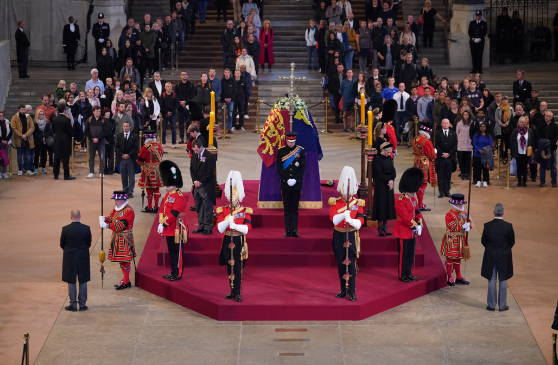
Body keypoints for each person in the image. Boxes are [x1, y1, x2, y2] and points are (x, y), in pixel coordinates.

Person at [328, 166, 364, 302]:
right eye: (343, 191)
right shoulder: (335, 202)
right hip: (339, 235)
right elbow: (333, 220)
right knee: (340, 263)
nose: (345, 194)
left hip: (352, 235)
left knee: (352, 265)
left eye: (347, 192)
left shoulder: (357, 203)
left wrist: (351, 220)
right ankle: (343, 289)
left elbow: (360, 222)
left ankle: (352, 291)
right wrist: (343, 214)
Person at [216, 171, 252, 302]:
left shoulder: (244, 211)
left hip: (238, 239)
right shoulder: (224, 210)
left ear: (239, 198)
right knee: (229, 266)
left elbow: (247, 229)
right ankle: (231, 290)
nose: (233, 201)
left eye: (235, 199)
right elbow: (220, 228)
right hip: (227, 239)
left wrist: (235, 226)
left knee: (237, 268)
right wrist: (227, 220)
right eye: (231, 199)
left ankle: (237, 291)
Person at [157, 160, 188, 281]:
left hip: (176, 228)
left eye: (168, 185)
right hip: (168, 227)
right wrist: (160, 223)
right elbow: (162, 209)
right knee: (171, 252)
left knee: (177, 253)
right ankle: (172, 271)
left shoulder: (179, 197)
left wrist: (163, 224)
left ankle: (178, 273)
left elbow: (174, 214)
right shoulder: (168, 195)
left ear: (175, 185)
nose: (166, 187)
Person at [481, 203, 515, 311]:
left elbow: (483, 241)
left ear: (493, 212)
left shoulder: (487, 225)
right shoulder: (508, 226)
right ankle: (502, 305)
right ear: (503, 212)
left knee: (492, 279)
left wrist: (491, 249)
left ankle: (491, 305)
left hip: (491, 255)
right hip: (504, 256)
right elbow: (512, 242)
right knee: (503, 279)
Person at [99, 191, 136, 290]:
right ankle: (125, 280)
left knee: (125, 261)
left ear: (124, 199)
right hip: (116, 238)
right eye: (115, 200)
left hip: (124, 239)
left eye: (118, 200)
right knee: (121, 262)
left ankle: (126, 281)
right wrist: (104, 219)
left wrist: (107, 225)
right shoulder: (117, 209)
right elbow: (112, 218)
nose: (116, 202)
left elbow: (120, 225)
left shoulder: (129, 211)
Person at [394, 167, 424, 282]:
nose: (413, 194)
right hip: (403, 231)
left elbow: (417, 212)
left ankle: (408, 273)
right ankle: (402, 275)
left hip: (411, 232)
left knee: (410, 254)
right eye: (411, 192)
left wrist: (420, 223)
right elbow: (406, 217)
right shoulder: (400, 201)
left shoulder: (413, 199)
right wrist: (415, 226)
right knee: (403, 254)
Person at [61, 209, 92, 312]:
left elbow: (62, 244)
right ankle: (82, 304)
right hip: (83, 257)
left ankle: (73, 304)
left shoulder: (65, 229)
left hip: (70, 257)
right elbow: (89, 243)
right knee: (83, 280)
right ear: (80, 216)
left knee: (71, 280)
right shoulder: (86, 229)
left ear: (71, 217)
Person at [277, 132, 306, 237]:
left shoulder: (300, 151)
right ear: (286, 140)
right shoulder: (281, 151)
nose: (291, 143)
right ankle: (287, 230)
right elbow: (279, 168)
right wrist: (287, 179)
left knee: (294, 208)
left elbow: (302, 167)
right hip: (285, 184)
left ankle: (294, 230)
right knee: (287, 208)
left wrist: (295, 179)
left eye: (293, 142)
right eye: (289, 142)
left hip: (296, 184)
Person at [440, 194, 471, 286]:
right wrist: (463, 226)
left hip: (461, 238)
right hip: (452, 239)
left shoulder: (463, 212)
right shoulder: (449, 214)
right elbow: (452, 227)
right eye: (459, 205)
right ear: (454, 204)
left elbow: (468, 221)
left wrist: (468, 226)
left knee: (458, 259)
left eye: (461, 204)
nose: (461, 206)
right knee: (450, 259)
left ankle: (458, 277)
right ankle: (449, 277)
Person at [190, 138, 216, 234]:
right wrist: (195, 181)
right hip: (197, 186)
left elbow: (209, 173)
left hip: (206, 186)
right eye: (194, 150)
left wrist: (200, 182)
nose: (195, 152)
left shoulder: (210, 157)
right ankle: (201, 226)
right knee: (199, 206)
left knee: (207, 207)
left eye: (196, 150)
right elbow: (192, 170)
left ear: (201, 147)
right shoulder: (194, 156)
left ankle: (208, 227)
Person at [372, 142, 396, 235]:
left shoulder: (389, 158)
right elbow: (379, 173)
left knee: (387, 205)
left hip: (389, 184)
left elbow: (393, 170)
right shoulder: (377, 159)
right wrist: (388, 181)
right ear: (382, 150)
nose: (388, 154)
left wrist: (392, 180)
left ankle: (385, 226)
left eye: (389, 152)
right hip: (381, 184)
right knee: (381, 204)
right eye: (387, 152)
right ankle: (380, 226)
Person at [137, 130, 164, 213]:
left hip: (148, 170)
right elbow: (161, 155)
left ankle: (149, 207)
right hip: (158, 169)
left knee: (149, 189)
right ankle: (156, 207)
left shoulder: (146, 147)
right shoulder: (159, 146)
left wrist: (143, 164)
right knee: (156, 189)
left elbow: (140, 160)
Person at [413, 122, 436, 211]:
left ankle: (419, 203)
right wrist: (435, 152)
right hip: (424, 164)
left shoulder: (416, 139)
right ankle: (420, 204)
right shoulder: (427, 141)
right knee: (422, 185)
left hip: (416, 162)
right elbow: (432, 156)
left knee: (418, 183)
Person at [115, 121, 139, 197]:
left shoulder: (134, 136)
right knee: (123, 175)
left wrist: (128, 155)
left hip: (131, 159)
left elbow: (136, 148)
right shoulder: (119, 136)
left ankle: (130, 191)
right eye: (124, 126)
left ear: (130, 127)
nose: (125, 128)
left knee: (131, 176)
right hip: (122, 159)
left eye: (127, 126)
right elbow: (116, 147)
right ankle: (125, 190)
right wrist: (122, 155)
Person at [510, 116, 535, 187]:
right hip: (518, 152)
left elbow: (532, 141)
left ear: (525, 123)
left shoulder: (529, 131)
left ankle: (524, 181)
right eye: (520, 122)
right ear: (518, 123)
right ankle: (519, 181)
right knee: (519, 167)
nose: (521, 123)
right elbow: (512, 142)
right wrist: (512, 152)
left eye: (523, 122)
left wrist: (532, 150)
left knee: (525, 167)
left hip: (526, 152)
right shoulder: (515, 131)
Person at [85, 106, 109, 178]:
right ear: (93, 112)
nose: (98, 113)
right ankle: (91, 172)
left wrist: (98, 138)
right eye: (97, 111)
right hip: (92, 142)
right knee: (91, 157)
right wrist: (92, 138)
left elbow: (105, 131)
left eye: (99, 111)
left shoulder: (103, 120)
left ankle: (101, 172)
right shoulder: (89, 120)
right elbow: (86, 131)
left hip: (101, 141)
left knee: (102, 157)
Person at [52, 104, 75, 180]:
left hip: (57, 139)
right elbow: (70, 131)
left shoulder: (54, 119)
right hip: (65, 140)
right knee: (65, 158)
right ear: (64, 110)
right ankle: (66, 175)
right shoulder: (67, 119)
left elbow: (54, 130)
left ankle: (56, 175)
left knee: (56, 158)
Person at [435, 118, 457, 197]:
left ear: (449, 124)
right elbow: (436, 145)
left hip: (450, 158)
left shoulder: (453, 133)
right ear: (441, 124)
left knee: (448, 175)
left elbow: (455, 145)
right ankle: (441, 191)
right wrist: (442, 153)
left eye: (447, 123)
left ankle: (447, 191)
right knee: (440, 175)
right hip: (440, 158)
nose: (445, 125)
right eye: (444, 123)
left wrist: (449, 154)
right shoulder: (437, 133)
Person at [11, 105, 34, 176]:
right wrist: (21, 135)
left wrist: (26, 135)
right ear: (18, 110)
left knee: (27, 155)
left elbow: (32, 127)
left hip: (27, 139)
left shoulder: (28, 117)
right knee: (19, 155)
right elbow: (13, 128)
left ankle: (27, 169)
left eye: (24, 110)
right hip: (19, 139)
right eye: (22, 110)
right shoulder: (14, 118)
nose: (23, 111)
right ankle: (20, 169)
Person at [538, 110, 558, 187]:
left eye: (548, 116)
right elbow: (539, 136)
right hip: (543, 148)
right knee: (542, 165)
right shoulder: (541, 126)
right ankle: (542, 181)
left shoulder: (555, 126)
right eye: (545, 116)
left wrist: (550, 144)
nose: (546, 117)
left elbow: (556, 136)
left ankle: (554, 181)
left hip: (552, 148)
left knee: (553, 165)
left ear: (551, 117)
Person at [33, 110, 53, 174]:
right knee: (36, 155)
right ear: (37, 115)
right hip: (37, 141)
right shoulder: (35, 123)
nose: (41, 115)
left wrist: (45, 137)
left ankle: (43, 168)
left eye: (42, 114)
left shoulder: (46, 122)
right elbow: (34, 132)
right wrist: (40, 137)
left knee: (44, 155)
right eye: (40, 114)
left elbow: (49, 131)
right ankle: (35, 168)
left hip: (45, 141)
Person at [472, 122, 492, 187]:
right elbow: (474, 143)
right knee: (477, 168)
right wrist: (479, 150)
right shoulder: (476, 135)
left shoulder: (488, 135)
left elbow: (490, 144)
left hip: (485, 154)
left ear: (486, 128)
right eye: (481, 126)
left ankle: (485, 181)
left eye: (483, 126)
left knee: (485, 168)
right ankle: (478, 180)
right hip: (477, 154)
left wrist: (484, 150)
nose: (482, 128)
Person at [160, 82, 178, 148]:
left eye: (170, 86)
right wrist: (166, 112)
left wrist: (171, 112)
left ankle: (174, 142)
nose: (169, 88)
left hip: (172, 115)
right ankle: (163, 142)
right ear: (165, 87)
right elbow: (161, 105)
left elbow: (176, 105)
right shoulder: (163, 95)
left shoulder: (174, 95)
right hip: (165, 115)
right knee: (163, 129)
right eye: (168, 86)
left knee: (173, 129)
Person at [456, 111, 472, 180]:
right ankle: (462, 172)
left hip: (469, 144)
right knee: (461, 160)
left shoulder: (471, 123)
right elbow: (457, 133)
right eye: (464, 115)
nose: (465, 116)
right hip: (461, 144)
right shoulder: (459, 123)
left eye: (467, 115)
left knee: (468, 160)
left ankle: (467, 173)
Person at [0, 110, 12, 179]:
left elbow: (10, 132)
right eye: (0, 116)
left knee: (5, 157)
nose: (1, 117)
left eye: (2, 115)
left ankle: (4, 172)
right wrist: (1, 140)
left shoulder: (7, 122)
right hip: (0, 142)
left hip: (6, 143)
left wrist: (6, 140)